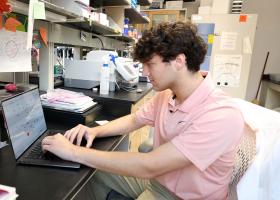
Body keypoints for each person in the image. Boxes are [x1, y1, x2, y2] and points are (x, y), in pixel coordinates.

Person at [42, 21, 244, 200]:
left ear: (179, 61)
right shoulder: (167, 95)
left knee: (87, 161)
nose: (145, 73)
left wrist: (74, 152)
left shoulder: (221, 115)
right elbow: (134, 120)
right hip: (160, 182)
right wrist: (93, 131)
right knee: (93, 173)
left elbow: (150, 165)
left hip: (182, 196)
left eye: (150, 64)